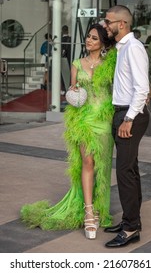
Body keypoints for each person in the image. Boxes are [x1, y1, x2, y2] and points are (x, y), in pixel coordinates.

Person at [20, 23, 117, 240]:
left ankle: (100, 207)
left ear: (102, 42)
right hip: (83, 120)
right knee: (87, 162)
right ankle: (89, 213)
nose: (88, 41)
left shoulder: (111, 64)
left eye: (94, 38)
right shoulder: (76, 63)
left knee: (103, 166)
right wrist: (73, 91)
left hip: (104, 119)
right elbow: (73, 93)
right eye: (88, 37)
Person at [103, 5, 150, 247]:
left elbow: (142, 88)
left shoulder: (134, 48)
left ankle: (131, 228)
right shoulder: (122, 48)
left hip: (130, 116)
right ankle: (132, 221)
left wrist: (129, 119)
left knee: (124, 172)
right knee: (129, 170)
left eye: (108, 21)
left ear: (122, 24)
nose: (105, 25)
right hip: (122, 113)